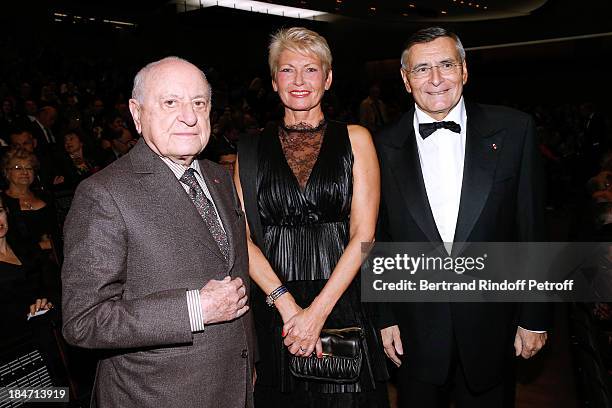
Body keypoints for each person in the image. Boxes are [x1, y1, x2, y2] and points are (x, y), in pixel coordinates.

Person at [61, 56, 255, 408]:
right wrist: (195, 308)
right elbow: (84, 321)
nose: (190, 116)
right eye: (170, 103)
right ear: (137, 114)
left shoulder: (219, 177)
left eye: (199, 103)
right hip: (155, 395)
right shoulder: (103, 194)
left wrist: (248, 364)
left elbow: (235, 277)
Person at [375, 27, 550, 407]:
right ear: (406, 81)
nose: (435, 79)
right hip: (415, 331)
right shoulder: (380, 145)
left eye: (446, 65)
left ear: (464, 70)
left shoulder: (515, 130)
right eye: (421, 69)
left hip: (493, 326)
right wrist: (384, 315)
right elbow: (379, 237)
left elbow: (532, 229)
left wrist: (534, 315)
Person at [235, 27, 388, 407]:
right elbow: (241, 236)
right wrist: (289, 308)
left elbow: (364, 234)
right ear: (273, 81)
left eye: (311, 69)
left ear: (329, 77)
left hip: (343, 300)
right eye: (287, 70)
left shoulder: (357, 139)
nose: (299, 81)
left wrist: (317, 313)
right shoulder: (250, 150)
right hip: (275, 309)